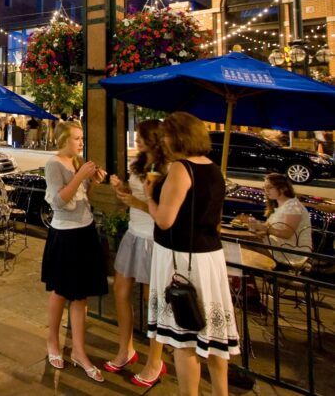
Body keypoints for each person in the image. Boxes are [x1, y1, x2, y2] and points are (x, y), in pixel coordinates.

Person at [144, 111, 239, 396]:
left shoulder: (180, 169)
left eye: (167, 136)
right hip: (210, 257)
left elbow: (164, 219)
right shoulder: (212, 168)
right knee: (213, 336)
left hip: (182, 259)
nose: (165, 141)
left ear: (178, 137)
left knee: (184, 336)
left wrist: (150, 195)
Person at [41, 121, 108, 382]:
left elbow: (83, 197)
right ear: (64, 140)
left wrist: (92, 182)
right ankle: (53, 343)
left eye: (82, 138)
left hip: (85, 231)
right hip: (64, 234)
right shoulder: (53, 164)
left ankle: (80, 352)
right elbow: (58, 201)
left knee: (80, 297)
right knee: (60, 292)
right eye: (77, 139)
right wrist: (81, 176)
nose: (81, 143)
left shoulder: (78, 163)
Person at [106, 120, 167, 386]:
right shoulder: (138, 164)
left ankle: (156, 359)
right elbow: (134, 195)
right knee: (120, 292)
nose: (137, 140)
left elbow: (163, 209)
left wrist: (138, 202)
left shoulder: (167, 169)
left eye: (141, 136)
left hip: (154, 239)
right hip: (133, 234)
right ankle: (125, 348)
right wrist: (121, 189)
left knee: (152, 300)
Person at [242, 173, 312, 268]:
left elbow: (287, 234)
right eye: (265, 187)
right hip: (278, 246)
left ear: (283, 188)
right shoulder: (281, 205)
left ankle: (254, 276)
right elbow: (270, 228)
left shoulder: (293, 207)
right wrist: (256, 225)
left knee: (242, 246)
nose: (266, 191)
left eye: (269, 187)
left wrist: (263, 228)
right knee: (243, 243)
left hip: (290, 253)